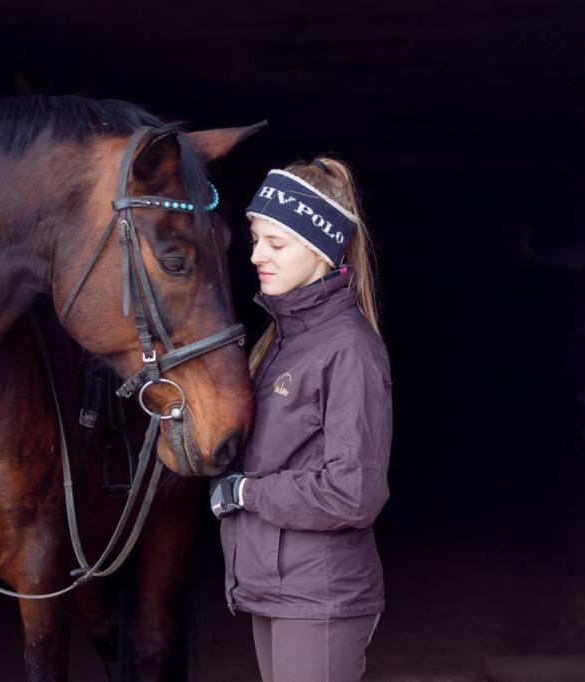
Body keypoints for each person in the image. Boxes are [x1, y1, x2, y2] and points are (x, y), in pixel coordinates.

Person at [210, 158, 393, 681]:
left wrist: (247, 494)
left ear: (320, 247)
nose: (255, 255)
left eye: (276, 243)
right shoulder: (280, 341)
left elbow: (353, 492)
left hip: (321, 591)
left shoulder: (348, 350)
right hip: (275, 584)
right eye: (255, 238)